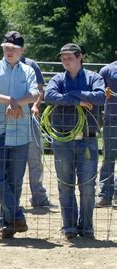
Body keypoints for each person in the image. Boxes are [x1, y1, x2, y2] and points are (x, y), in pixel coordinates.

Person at [0, 31, 39, 239]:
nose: (9, 51)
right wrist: (10, 101)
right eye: (6, 47)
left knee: (14, 182)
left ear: (22, 50)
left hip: (21, 133)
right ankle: (17, 216)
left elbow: (35, 94)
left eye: (13, 48)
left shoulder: (28, 71)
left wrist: (16, 102)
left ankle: (7, 224)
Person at [44, 43, 106, 239]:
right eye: (63, 57)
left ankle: (86, 227)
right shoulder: (57, 79)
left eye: (69, 57)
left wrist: (70, 95)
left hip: (87, 139)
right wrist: (77, 101)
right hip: (63, 140)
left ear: (80, 57)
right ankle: (69, 227)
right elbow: (49, 96)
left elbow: (100, 97)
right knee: (65, 184)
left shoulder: (94, 77)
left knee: (87, 185)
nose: (65, 60)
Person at [20, 52, 53, 208]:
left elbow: (40, 90)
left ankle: (39, 196)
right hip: (7, 119)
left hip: (29, 117)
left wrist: (35, 105)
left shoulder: (32, 65)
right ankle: (11, 198)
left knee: (35, 158)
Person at [96, 51, 117, 208]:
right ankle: (105, 194)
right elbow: (97, 93)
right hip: (111, 119)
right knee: (109, 157)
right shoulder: (106, 70)